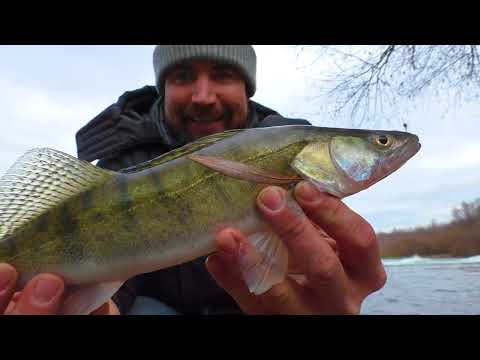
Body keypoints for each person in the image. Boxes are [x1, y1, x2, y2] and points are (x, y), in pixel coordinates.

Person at [0, 45, 386, 315]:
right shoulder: (117, 164)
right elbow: (120, 285)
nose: (203, 96)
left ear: (247, 88)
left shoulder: (294, 164)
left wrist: (319, 289)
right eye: (183, 76)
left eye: (222, 75)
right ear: (161, 87)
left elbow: (288, 270)